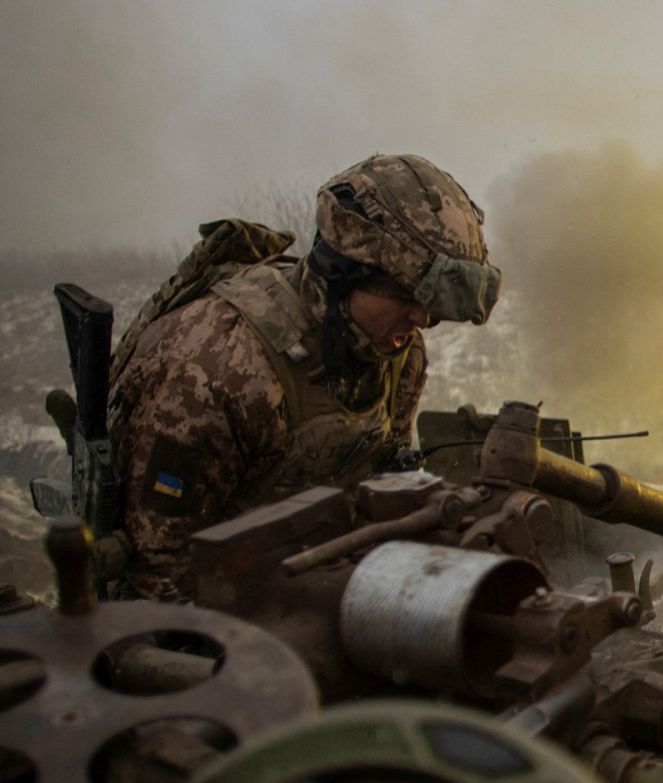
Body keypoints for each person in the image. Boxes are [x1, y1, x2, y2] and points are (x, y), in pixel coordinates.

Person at [108, 154, 500, 601]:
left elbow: (384, 487)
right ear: (344, 274)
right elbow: (161, 577)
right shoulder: (215, 372)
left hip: (313, 585)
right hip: (205, 615)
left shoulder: (397, 350)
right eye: (406, 296)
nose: (422, 318)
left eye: (430, 304)